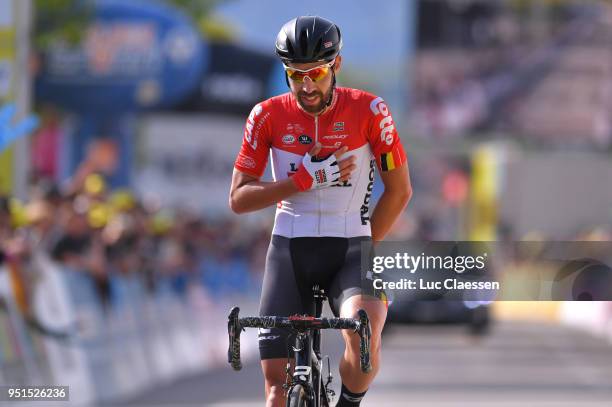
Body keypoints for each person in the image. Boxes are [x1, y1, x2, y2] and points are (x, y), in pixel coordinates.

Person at [229, 16, 412, 407]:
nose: (307, 86)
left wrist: (364, 245)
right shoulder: (266, 115)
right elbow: (239, 198)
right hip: (289, 248)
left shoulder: (370, 111)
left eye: (315, 73)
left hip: (350, 247)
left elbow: (399, 191)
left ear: (336, 66)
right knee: (277, 392)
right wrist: (301, 181)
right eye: (295, 76)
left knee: (363, 336)